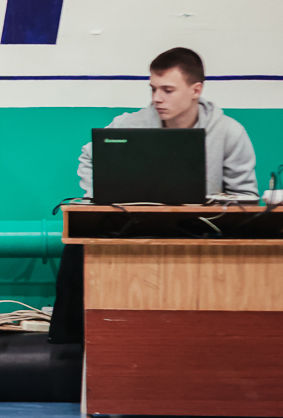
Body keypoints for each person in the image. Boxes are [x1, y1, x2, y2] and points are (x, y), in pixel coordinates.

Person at [48, 47, 257, 344]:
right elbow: (89, 156)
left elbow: (246, 197)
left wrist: (211, 203)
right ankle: (69, 344)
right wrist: (99, 196)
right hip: (134, 224)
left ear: (196, 90)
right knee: (78, 243)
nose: (157, 98)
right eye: (153, 89)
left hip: (199, 229)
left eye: (167, 90)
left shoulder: (229, 132)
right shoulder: (130, 124)